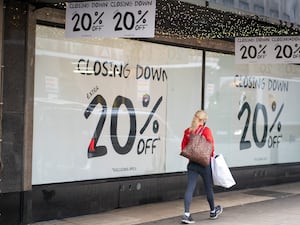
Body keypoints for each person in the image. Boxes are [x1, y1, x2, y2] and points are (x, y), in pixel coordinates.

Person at [181, 110, 222, 224]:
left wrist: (193, 156)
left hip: (192, 164)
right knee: (208, 188)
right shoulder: (206, 130)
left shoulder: (188, 131)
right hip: (204, 164)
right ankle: (213, 211)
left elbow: (183, 147)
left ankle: (186, 214)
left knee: (190, 188)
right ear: (203, 121)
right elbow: (211, 146)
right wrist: (210, 157)